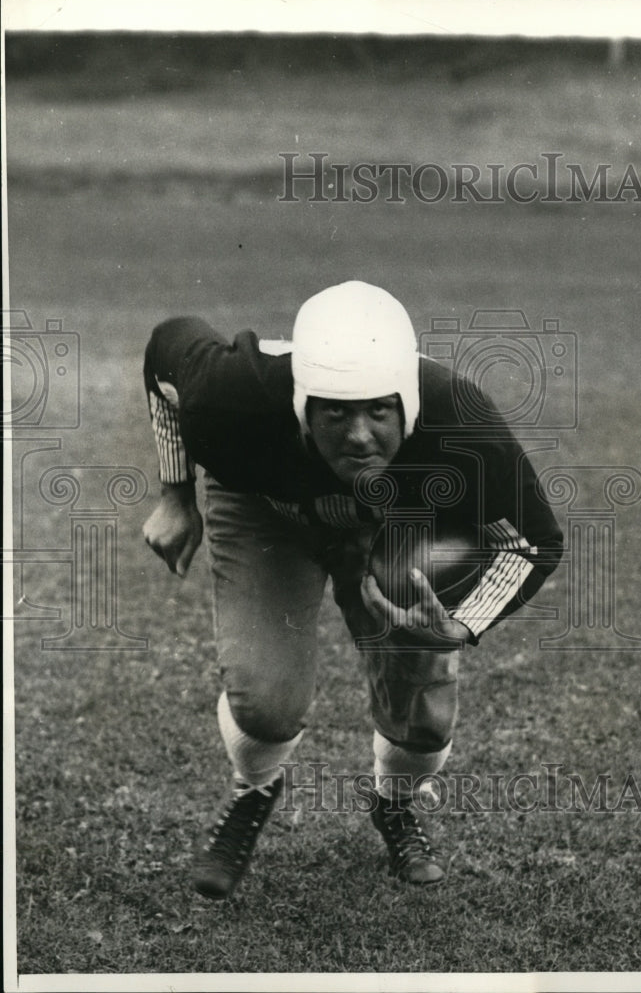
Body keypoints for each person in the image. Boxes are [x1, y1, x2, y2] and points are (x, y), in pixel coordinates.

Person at [142, 281, 563, 899]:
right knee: (265, 702)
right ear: (302, 404)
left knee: (422, 704)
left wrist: (462, 623)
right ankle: (253, 788)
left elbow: (534, 541)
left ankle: (394, 804)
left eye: (379, 411)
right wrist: (176, 494)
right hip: (267, 511)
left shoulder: (458, 420)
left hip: (402, 522)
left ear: (411, 404)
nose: (360, 436)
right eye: (335, 412)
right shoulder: (234, 394)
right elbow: (163, 357)